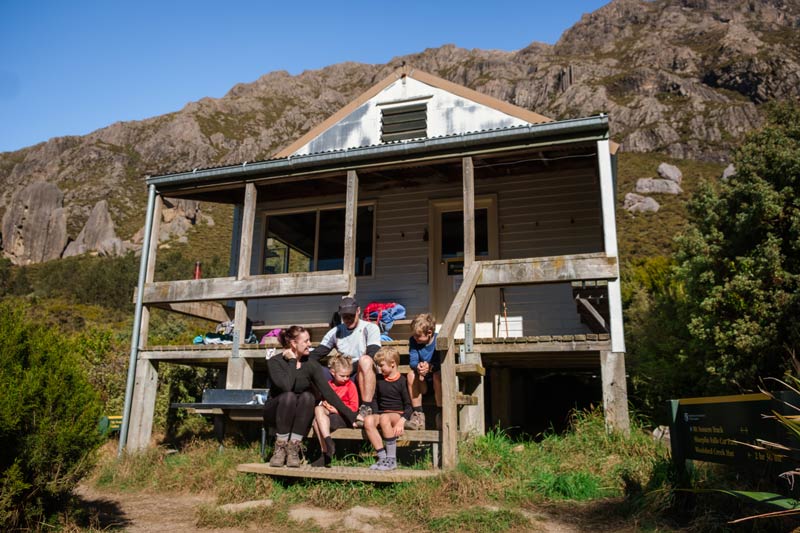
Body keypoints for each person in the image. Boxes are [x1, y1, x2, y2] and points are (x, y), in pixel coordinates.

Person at [263, 326, 357, 468]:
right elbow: (286, 387)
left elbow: (328, 393)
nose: (310, 344)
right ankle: (280, 448)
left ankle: (294, 447)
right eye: (306, 341)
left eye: (309, 340)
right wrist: (292, 361)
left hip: (299, 413)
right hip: (277, 411)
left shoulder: (311, 364)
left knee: (308, 397)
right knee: (289, 396)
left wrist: (351, 415)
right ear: (294, 344)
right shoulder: (275, 362)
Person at [309, 296, 382, 427]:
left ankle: (366, 407)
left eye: (351, 315)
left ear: (358, 311)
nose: (348, 319)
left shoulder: (370, 328)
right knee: (312, 366)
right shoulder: (336, 331)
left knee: (365, 360)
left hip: (361, 371)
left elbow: (372, 354)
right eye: (344, 316)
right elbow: (317, 353)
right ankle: (316, 405)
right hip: (342, 370)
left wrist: (346, 369)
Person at [363, 346, 413, 471]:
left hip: (397, 414)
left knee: (385, 418)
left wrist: (402, 421)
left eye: (382, 365)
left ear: (392, 364)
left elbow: (409, 405)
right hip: (382, 414)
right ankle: (382, 457)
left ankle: (392, 460)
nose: (379, 368)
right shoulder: (379, 380)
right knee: (368, 420)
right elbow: (374, 399)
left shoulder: (402, 381)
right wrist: (375, 415)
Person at [310, 354, 359, 467]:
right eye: (342, 376)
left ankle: (325, 453)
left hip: (344, 417)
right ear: (332, 372)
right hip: (329, 414)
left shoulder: (350, 386)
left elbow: (354, 408)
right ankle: (328, 443)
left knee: (316, 423)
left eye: (348, 376)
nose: (346, 378)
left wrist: (337, 410)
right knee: (318, 408)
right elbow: (323, 401)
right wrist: (324, 404)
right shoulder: (328, 385)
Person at [405, 313, 442, 430]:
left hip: (437, 380)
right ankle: (418, 415)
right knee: (411, 375)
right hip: (422, 381)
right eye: (414, 335)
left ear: (429, 333)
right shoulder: (414, 341)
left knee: (438, 375)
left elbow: (441, 361)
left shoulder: (439, 339)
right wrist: (419, 366)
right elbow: (413, 360)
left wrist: (430, 367)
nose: (415, 338)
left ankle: (442, 413)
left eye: (418, 336)